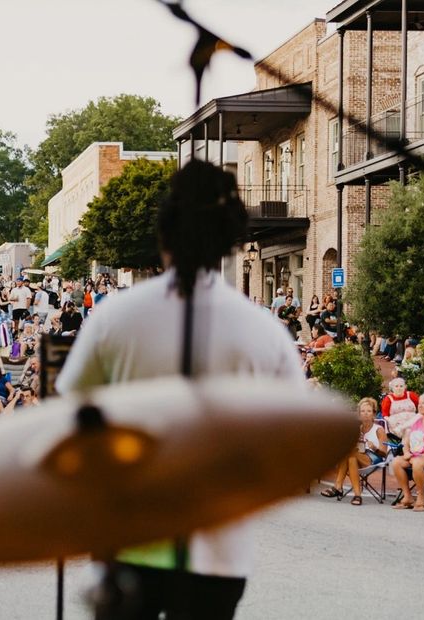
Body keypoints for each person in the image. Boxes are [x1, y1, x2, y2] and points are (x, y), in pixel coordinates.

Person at [57, 160, 303, 618]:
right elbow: (292, 443)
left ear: (164, 237)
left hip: (126, 540)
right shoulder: (265, 331)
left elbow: (72, 417)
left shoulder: (115, 316)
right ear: (226, 244)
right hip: (220, 549)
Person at [323, 398, 389, 505]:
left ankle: (338, 487)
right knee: (351, 458)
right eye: (363, 411)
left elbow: (384, 454)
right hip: (357, 456)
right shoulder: (357, 428)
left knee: (348, 453)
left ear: (374, 413)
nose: (365, 414)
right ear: (359, 414)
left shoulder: (379, 430)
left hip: (374, 458)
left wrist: (374, 448)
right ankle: (357, 495)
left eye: (368, 411)